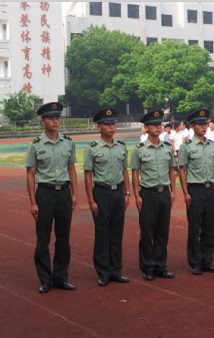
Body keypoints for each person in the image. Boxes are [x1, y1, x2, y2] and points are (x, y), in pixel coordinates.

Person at [25, 102, 78, 294]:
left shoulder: (68, 142)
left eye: (58, 117)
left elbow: (72, 168)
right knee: (43, 239)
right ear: (43, 121)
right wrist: (33, 202)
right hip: (45, 194)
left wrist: (74, 194)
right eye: (51, 118)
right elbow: (31, 174)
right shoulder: (35, 145)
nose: (55, 121)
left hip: (63, 192)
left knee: (64, 238)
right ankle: (46, 279)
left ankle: (61, 278)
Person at [84, 107, 131, 287]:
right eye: (107, 124)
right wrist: (91, 200)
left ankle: (116, 270)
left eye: (113, 124)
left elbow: (124, 171)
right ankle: (103, 271)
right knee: (103, 233)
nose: (112, 127)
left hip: (118, 192)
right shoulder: (92, 148)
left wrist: (127, 193)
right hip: (101, 192)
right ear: (99, 126)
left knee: (117, 232)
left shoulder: (121, 147)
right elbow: (88, 175)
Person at [130, 109, 177, 281]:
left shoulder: (167, 148)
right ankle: (147, 266)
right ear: (147, 127)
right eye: (154, 125)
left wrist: (173, 190)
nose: (158, 127)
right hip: (148, 194)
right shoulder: (139, 149)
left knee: (162, 232)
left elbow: (172, 170)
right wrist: (137, 195)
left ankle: (161, 265)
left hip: (164, 192)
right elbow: (135, 173)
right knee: (147, 233)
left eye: (160, 124)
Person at [178, 109, 214, 276]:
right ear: (193, 126)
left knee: (210, 227)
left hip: (209, 188)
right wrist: (185, 192)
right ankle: (195, 261)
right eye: (200, 124)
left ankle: (207, 260)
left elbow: (213, 168)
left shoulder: (211, 146)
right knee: (195, 228)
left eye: (205, 123)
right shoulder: (186, 147)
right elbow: (182, 170)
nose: (204, 127)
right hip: (194, 189)